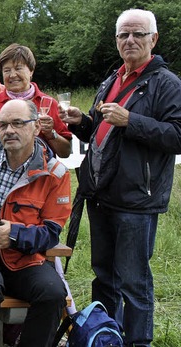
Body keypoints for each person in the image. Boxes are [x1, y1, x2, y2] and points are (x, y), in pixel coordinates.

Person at [60, 9, 181, 346]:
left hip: (136, 200)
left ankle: (138, 342)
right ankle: (107, 337)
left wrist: (132, 120)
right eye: (123, 35)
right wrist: (80, 122)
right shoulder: (112, 79)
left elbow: (177, 135)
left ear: (153, 39)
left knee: (134, 282)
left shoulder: (166, 84)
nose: (130, 40)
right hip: (101, 195)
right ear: (116, 41)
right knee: (105, 279)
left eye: (138, 34)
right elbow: (102, 134)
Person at [0, 99, 70, 347]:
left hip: (21, 256)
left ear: (35, 128)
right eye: (3, 125)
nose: (9, 130)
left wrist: (15, 235)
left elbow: (51, 233)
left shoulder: (55, 173)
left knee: (53, 293)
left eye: (17, 123)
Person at [0, 43, 72, 158]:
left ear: (31, 71)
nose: (12, 75)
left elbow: (65, 152)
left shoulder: (49, 104)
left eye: (18, 68)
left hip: (40, 173)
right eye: (7, 70)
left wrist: (51, 134)